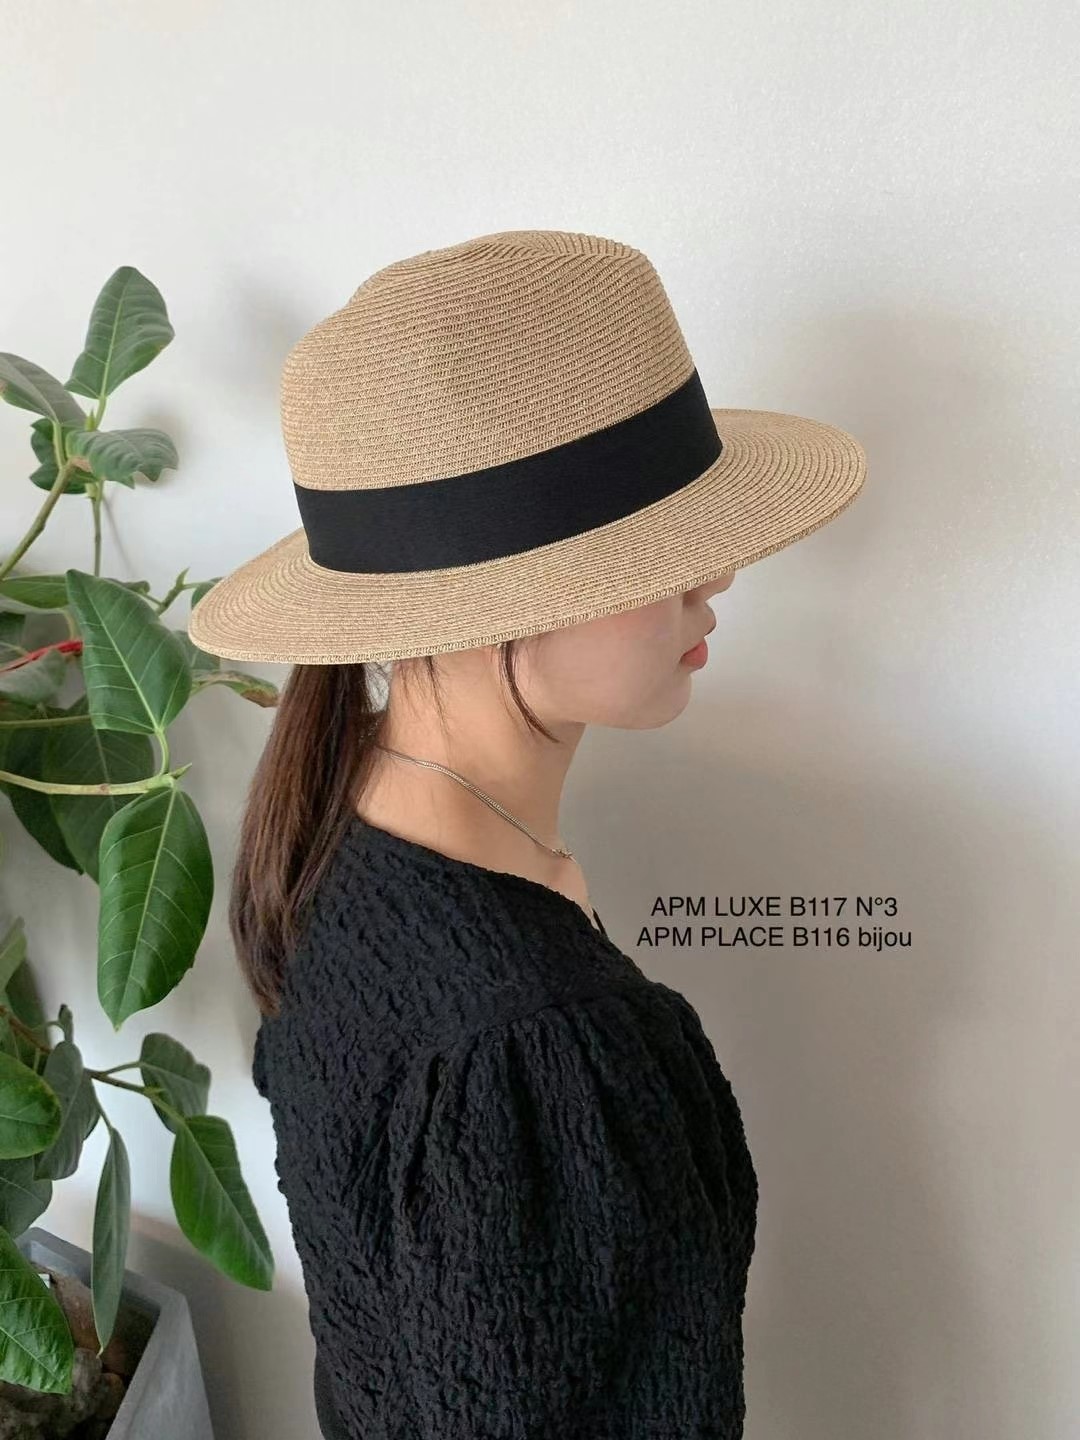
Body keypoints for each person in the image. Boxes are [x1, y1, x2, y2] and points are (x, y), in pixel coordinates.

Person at [188, 227, 868, 1439]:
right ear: (486, 603)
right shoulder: (534, 1041)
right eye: (654, 549)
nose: (715, 579)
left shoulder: (336, 828)